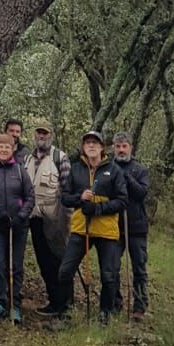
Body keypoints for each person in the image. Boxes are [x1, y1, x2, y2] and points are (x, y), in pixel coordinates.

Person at [53, 130, 128, 324]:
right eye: (87, 143)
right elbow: (65, 198)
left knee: (108, 274)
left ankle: (105, 313)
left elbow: (122, 201)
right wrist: (80, 198)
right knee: (65, 271)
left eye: (95, 142)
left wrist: (98, 208)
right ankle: (65, 313)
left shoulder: (114, 170)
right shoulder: (76, 169)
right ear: (83, 147)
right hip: (81, 228)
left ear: (102, 147)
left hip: (106, 230)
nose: (91, 146)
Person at [0, 131, 35, 323]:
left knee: (16, 266)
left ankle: (15, 305)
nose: (4, 149)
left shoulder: (20, 171)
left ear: (13, 149)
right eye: (0, 146)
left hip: (18, 227)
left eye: (7, 146)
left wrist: (21, 215)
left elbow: (30, 197)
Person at [24, 119, 71, 315]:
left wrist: (66, 221)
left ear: (51, 135)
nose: (41, 136)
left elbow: (67, 189)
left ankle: (65, 303)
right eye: (38, 133)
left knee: (59, 261)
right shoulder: (27, 159)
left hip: (55, 220)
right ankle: (54, 301)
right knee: (44, 262)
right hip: (34, 219)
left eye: (45, 133)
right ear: (34, 135)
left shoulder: (60, 157)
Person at [112, 132, 150, 319]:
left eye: (124, 146)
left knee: (139, 268)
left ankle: (139, 307)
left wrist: (128, 178)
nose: (121, 150)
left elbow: (141, 193)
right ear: (113, 148)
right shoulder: (108, 168)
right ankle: (115, 303)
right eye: (118, 146)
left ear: (130, 148)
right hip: (113, 226)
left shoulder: (140, 169)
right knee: (112, 267)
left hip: (136, 227)